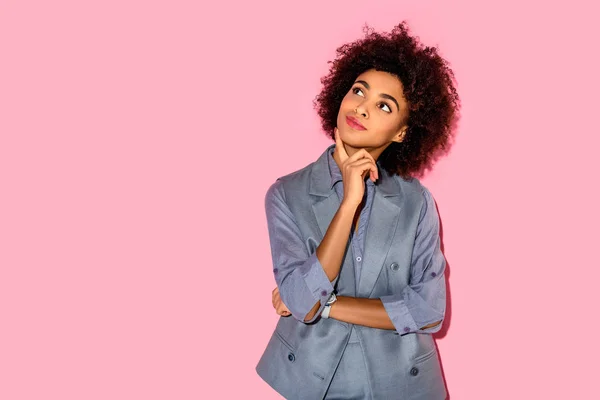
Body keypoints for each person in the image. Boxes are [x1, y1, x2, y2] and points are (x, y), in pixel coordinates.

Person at [256, 21, 460, 400]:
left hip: (403, 381)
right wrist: (350, 203)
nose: (362, 107)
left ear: (402, 131)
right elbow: (301, 302)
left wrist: (327, 305)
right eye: (358, 91)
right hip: (314, 380)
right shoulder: (286, 194)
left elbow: (429, 309)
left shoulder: (416, 202)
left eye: (384, 105)